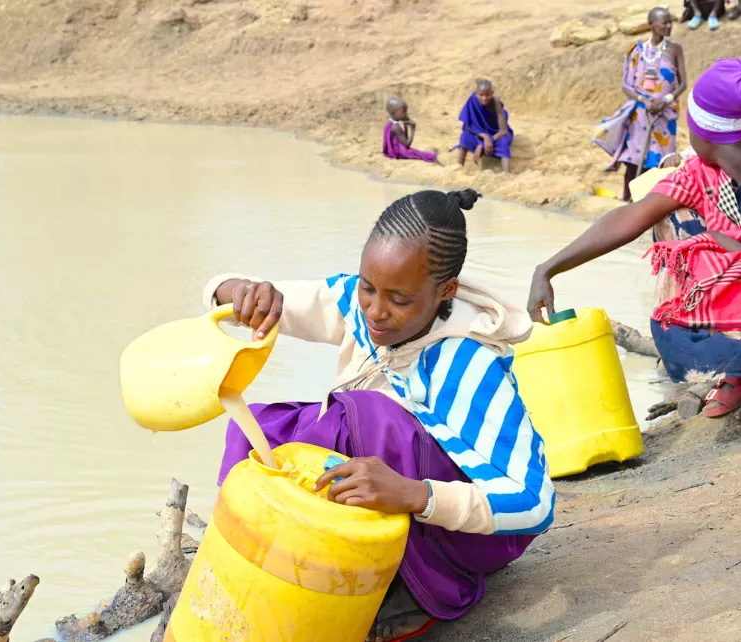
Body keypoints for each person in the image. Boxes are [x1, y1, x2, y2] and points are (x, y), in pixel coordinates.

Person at [206, 189, 554, 641]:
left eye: (398, 298)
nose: (374, 310)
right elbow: (232, 293)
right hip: (398, 486)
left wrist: (413, 494)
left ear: (445, 291)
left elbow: (534, 502)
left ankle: (408, 587)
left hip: (470, 529)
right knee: (259, 428)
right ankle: (265, 556)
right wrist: (243, 293)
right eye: (368, 287)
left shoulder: (468, 364)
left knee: (367, 416)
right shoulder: (361, 302)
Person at [531, 59, 741, 424]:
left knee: (699, 248)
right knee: (672, 217)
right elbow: (632, 217)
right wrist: (548, 269)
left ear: (702, 130)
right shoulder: (712, 170)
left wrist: (726, 244)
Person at [593, 7, 688, 202]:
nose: (669, 26)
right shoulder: (636, 51)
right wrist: (644, 101)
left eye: (670, 22)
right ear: (652, 25)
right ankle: (629, 198)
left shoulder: (674, 49)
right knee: (634, 156)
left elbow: (683, 83)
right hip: (640, 113)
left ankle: (654, 200)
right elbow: (626, 86)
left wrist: (665, 100)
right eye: (665, 23)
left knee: (661, 158)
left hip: (664, 114)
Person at [454, 80, 513, 172]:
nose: (484, 98)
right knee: (465, 137)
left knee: (504, 142)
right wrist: (484, 137)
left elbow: (503, 131)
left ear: (492, 93)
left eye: (488, 95)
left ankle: (507, 173)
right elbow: (468, 125)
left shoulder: (496, 103)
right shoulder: (472, 100)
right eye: (481, 95)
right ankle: (459, 166)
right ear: (476, 93)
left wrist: (486, 142)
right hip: (479, 132)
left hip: (495, 133)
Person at [383, 97, 441, 164]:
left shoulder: (390, 124)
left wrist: (406, 127)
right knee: (428, 155)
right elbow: (407, 144)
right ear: (394, 112)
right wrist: (413, 129)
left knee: (421, 153)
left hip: (398, 150)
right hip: (400, 153)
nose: (406, 114)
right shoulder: (396, 127)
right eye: (403, 111)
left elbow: (404, 140)